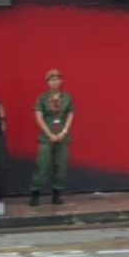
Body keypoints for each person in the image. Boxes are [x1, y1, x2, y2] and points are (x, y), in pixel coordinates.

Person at [30, 69, 75, 206]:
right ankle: (35, 192)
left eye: (57, 79)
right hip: (46, 137)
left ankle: (57, 194)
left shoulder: (67, 97)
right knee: (42, 165)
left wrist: (64, 131)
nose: (55, 82)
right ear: (47, 82)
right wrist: (49, 134)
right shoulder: (42, 98)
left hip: (62, 137)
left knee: (61, 166)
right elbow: (39, 117)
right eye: (52, 79)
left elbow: (70, 114)